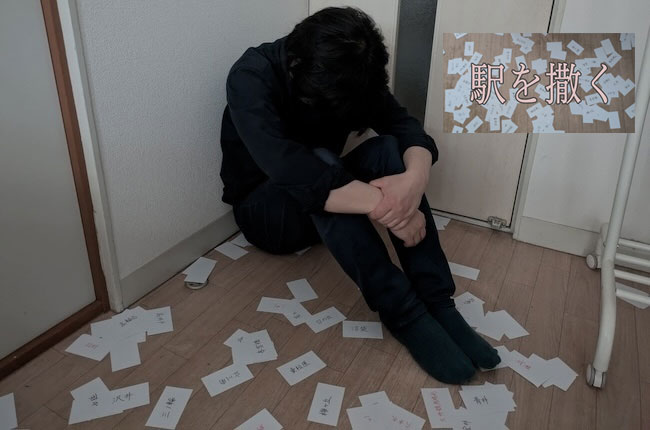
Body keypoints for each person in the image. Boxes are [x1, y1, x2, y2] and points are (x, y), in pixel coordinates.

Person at [219, 7, 499, 383]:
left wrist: (412, 185)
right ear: (297, 67)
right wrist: (390, 207)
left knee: (386, 149)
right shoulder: (250, 77)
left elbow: (406, 128)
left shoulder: (352, 69)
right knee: (320, 164)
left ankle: (437, 302)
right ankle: (404, 313)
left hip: (323, 206)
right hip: (265, 215)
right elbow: (291, 170)